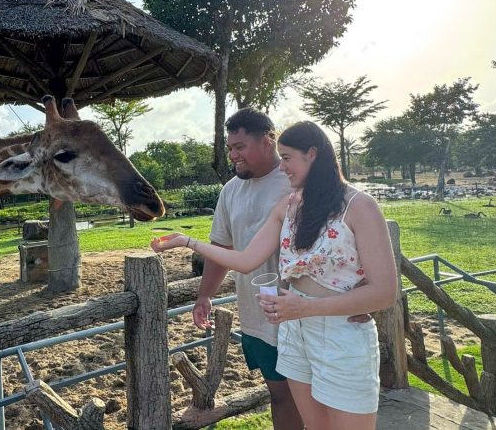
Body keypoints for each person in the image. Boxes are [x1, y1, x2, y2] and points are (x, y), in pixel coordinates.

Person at [153, 120, 397, 430]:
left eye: (287, 158)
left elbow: (385, 292)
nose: (282, 168)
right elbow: (245, 260)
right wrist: (186, 241)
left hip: (341, 334)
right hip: (295, 332)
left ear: (312, 154)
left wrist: (307, 307)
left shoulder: (360, 206)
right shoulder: (289, 206)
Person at [189, 108, 301, 429]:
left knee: (308, 395)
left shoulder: (293, 181)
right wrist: (204, 296)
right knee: (280, 395)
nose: (233, 156)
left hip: (303, 312)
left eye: (240, 147)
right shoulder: (230, 191)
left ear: (268, 142)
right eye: (230, 149)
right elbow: (222, 248)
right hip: (257, 314)